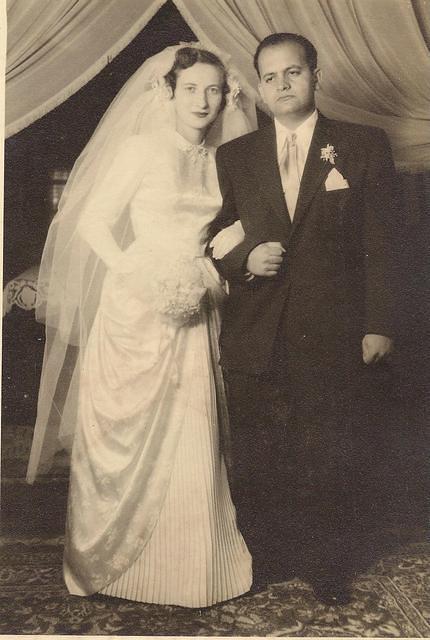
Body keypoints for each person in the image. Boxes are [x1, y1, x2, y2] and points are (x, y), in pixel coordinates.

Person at [26, 44, 259, 607]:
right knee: (127, 435)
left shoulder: (222, 158)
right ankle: (111, 563)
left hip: (194, 306)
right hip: (135, 306)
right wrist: (144, 272)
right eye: (191, 89)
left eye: (214, 90)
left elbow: (224, 227)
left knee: (192, 431)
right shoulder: (140, 148)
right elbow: (90, 222)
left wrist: (221, 250)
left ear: (226, 96)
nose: (204, 101)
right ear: (169, 93)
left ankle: (191, 568)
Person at [208, 33, 402, 605]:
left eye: (293, 73)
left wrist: (380, 322)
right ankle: (267, 556)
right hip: (258, 329)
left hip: (334, 328)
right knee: (261, 448)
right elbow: (213, 236)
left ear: (316, 75)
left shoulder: (362, 145)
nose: (283, 85)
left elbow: (384, 241)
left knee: (330, 446)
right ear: (260, 88)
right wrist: (246, 258)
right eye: (270, 77)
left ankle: (328, 563)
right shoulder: (236, 157)